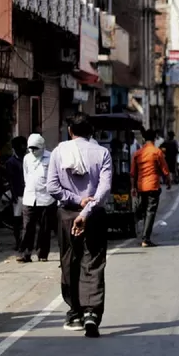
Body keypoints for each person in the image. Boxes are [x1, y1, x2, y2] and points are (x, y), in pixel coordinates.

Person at [47, 113, 112, 338]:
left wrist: (76, 202)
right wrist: (86, 210)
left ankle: (75, 312)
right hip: (94, 214)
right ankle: (91, 313)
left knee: (68, 261)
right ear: (91, 132)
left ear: (70, 131)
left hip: (66, 214)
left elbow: (52, 187)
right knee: (93, 261)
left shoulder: (58, 152)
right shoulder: (102, 153)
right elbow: (104, 189)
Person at [17, 134, 55, 263]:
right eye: (30, 148)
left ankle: (42, 253)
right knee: (27, 227)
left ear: (42, 147)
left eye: (35, 148)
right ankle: (25, 254)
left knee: (44, 228)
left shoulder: (51, 158)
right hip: (29, 197)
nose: (32, 151)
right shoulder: (27, 158)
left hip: (46, 198)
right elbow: (26, 175)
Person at [131, 129, 171, 248]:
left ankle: (139, 228)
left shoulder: (138, 153)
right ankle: (145, 239)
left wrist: (133, 187)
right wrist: (168, 182)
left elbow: (133, 173)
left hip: (140, 186)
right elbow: (165, 170)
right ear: (155, 138)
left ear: (143, 138)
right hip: (153, 186)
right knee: (150, 212)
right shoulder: (157, 152)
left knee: (144, 210)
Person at [6, 136, 27, 250]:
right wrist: (13, 195)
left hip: (29, 193)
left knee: (27, 221)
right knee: (17, 220)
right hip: (18, 194)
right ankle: (19, 242)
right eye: (22, 145)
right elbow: (10, 180)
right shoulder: (11, 162)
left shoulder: (28, 159)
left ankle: (26, 241)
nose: (24, 147)